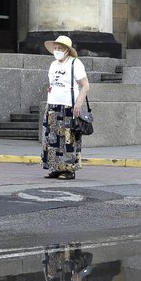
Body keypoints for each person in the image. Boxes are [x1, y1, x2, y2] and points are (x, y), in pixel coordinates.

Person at [42, 35, 90, 180]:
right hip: (52, 105)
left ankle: (69, 169)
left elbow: (85, 85)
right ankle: (55, 167)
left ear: (67, 50)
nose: (57, 51)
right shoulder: (53, 64)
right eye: (55, 48)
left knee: (68, 138)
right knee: (52, 138)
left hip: (68, 106)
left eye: (60, 48)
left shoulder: (75, 63)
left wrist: (79, 103)